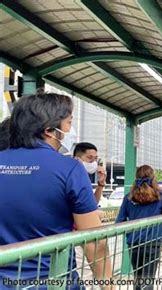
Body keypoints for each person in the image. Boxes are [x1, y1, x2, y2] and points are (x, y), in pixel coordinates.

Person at [0, 92, 111, 287]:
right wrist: (108, 285)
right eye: (69, 123)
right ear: (50, 130)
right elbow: (94, 242)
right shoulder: (69, 169)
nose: (71, 130)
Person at [115, 165, 162, 290]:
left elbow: (119, 221)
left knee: (138, 278)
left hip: (134, 242)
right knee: (148, 279)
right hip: (153, 241)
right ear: (153, 178)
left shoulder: (128, 197)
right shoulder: (160, 195)